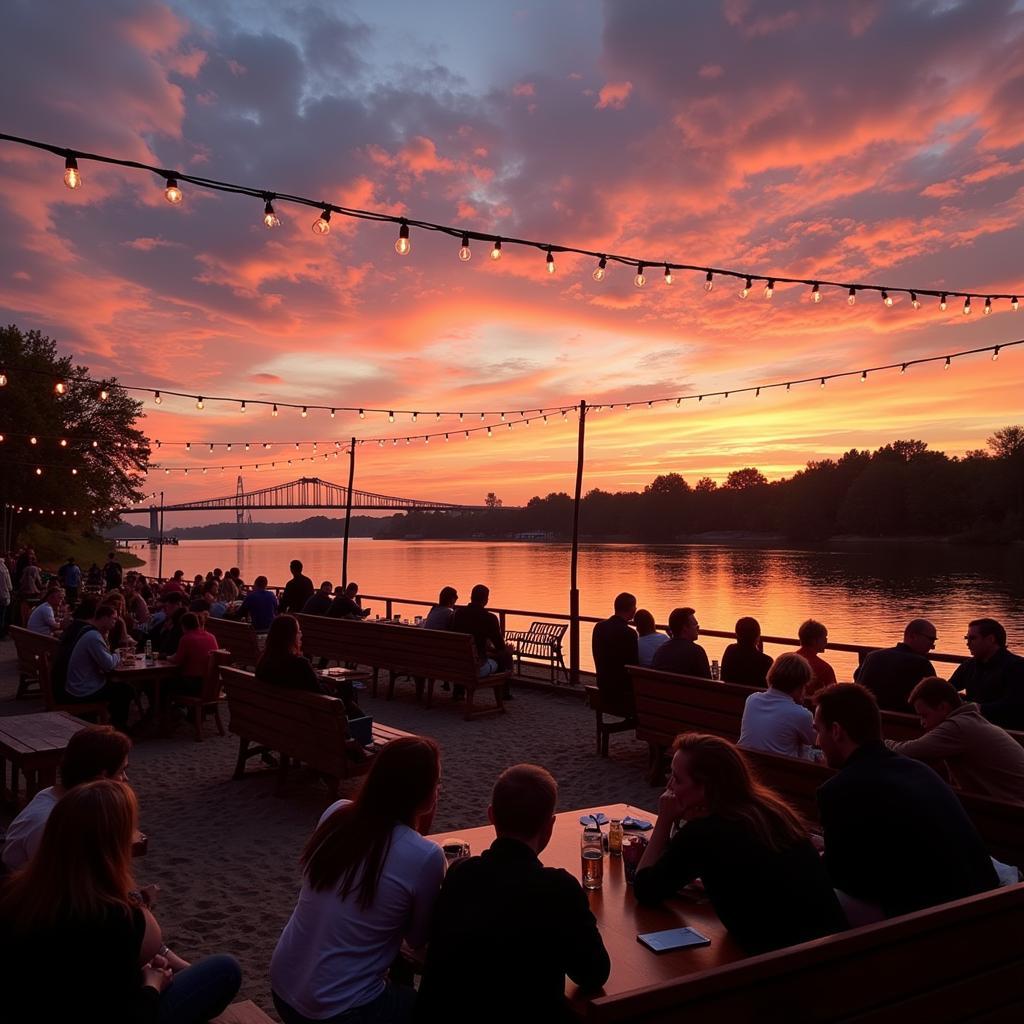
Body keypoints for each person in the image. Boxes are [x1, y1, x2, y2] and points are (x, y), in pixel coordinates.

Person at [0, 780, 242, 1022]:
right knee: (225, 970)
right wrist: (151, 986)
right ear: (113, 845)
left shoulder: (16, 892)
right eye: (131, 829)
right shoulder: (118, 918)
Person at [270, 738, 445, 1024]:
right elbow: (416, 939)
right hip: (338, 1010)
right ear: (421, 792)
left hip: (283, 989)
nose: (438, 790)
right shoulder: (426, 856)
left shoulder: (336, 812)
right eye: (436, 782)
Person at [416, 765, 610, 1021]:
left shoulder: (460, 874)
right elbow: (594, 973)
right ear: (550, 826)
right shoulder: (557, 888)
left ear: (491, 815)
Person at [634, 733, 845, 954]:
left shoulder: (705, 833)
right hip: (834, 950)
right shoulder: (771, 812)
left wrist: (664, 820)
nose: (669, 787)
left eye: (677, 779)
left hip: (788, 965)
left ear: (705, 787)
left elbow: (646, 889)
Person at [814, 683, 998, 920]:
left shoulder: (838, 790)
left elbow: (844, 879)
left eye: (818, 730)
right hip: (985, 906)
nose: (817, 741)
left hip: (932, 923)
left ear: (837, 731)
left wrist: (818, 856)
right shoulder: (920, 771)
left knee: (812, 895)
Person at [2, 724, 131, 871]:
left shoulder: (53, 794)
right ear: (101, 777)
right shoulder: (52, 822)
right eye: (121, 771)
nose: (125, 779)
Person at [886, 676, 1024, 803]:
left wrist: (878, 742)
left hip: (1014, 812)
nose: (922, 723)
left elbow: (907, 751)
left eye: (924, 715)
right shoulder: (970, 720)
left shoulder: (957, 727)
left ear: (943, 707)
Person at [738, 653, 820, 761]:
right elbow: (816, 741)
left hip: (746, 762)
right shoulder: (801, 715)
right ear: (799, 685)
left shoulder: (752, 700)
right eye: (805, 686)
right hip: (781, 773)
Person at [65, 604, 134, 730]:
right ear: (104, 618)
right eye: (113, 618)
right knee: (125, 690)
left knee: (120, 688)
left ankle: (114, 723)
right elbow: (108, 665)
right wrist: (119, 654)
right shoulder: (93, 637)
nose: (115, 622)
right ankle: (119, 727)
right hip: (83, 688)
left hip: (77, 684)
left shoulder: (90, 632)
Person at [950, 618, 1024, 730]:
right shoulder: (969, 665)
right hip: (973, 726)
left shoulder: (1016, 666)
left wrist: (975, 708)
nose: (968, 643)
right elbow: (948, 688)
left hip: (1006, 732)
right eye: (967, 638)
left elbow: (1014, 705)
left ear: (991, 639)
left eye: (972, 638)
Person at [854, 619, 938, 711]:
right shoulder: (922, 664)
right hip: (903, 721)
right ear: (912, 636)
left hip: (867, 716)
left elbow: (857, 681)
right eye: (930, 640)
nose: (932, 647)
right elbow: (936, 699)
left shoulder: (872, 656)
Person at [450, 584, 511, 699]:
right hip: (476, 668)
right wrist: (508, 650)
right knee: (505, 656)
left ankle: (458, 691)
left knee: (469, 656)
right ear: (486, 600)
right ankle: (504, 694)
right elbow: (500, 647)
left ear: (471, 597)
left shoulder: (458, 613)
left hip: (458, 664)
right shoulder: (490, 618)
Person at [591, 592, 639, 715]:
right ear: (632, 609)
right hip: (622, 694)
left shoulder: (599, 627)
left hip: (603, 688)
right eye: (635, 607)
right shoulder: (629, 633)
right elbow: (633, 665)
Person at [166, 612, 220, 695]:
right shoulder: (211, 637)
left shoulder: (186, 638)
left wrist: (167, 657)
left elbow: (177, 660)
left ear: (183, 626)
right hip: (211, 685)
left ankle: (162, 707)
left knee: (163, 683)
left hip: (193, 685)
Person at [651, 606, 712, 678]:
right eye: (695, 626)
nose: (698, 629)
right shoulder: (697, 651)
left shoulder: (660, 651)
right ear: (685, 628)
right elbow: (707, 681)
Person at [721, 616, 773, 688]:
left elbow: (724, 677)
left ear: (737, 635)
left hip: (729, 696)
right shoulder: (766, 661)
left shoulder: (730, 651)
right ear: (758, 636)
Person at [795, 619, 837, 696]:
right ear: (814, 641)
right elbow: (834, 696)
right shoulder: (824, 668)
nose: (826, 641)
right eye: (824, 638)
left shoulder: (786, 661)